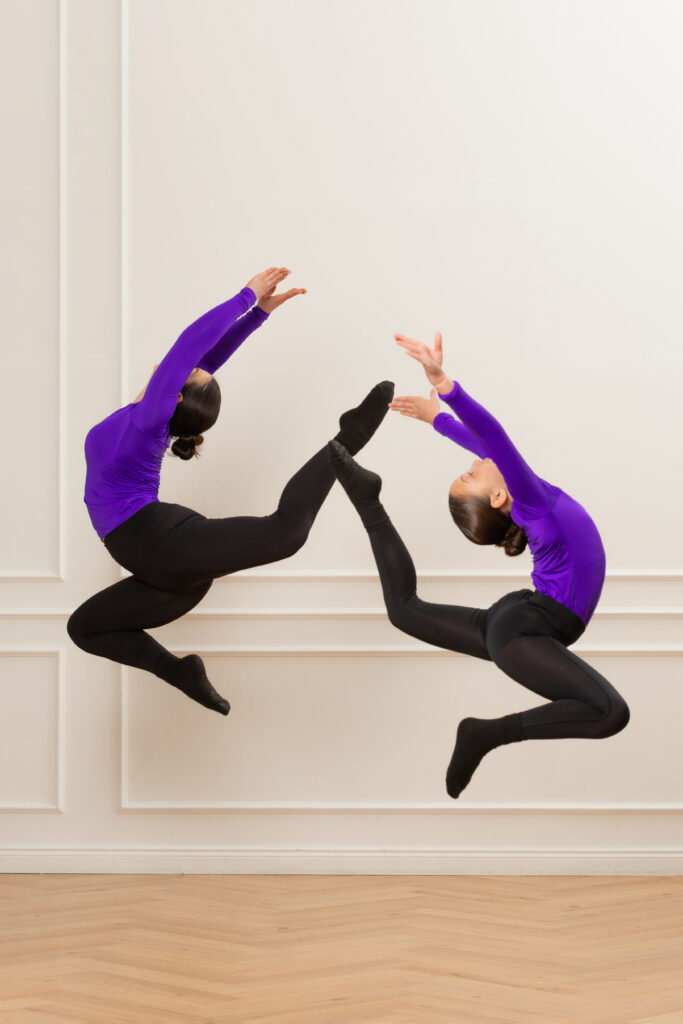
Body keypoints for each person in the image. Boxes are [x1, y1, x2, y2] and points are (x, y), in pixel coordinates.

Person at [67, 266, 394, 715]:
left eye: (187, 373)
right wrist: (258, 316)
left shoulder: (148, 422)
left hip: (158, 544)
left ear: (173, 396)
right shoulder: (148, 417)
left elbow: (190, 345)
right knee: (85, 628)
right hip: (162, 571)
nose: (191, 365)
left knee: (288, 532)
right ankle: (180, 672)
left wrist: (246, 296)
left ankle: (349, 436)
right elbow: (206, 357)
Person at [328, 328, 629, 798]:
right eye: (471, 473)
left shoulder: (531, 499)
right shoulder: (534, 502)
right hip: (526, 626)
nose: (476, 462)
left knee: (404, 610)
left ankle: (367, 500)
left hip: (522, 619)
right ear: (499, 496)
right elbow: (493, 437)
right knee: (610, 713)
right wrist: (444, 385)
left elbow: (486, 446)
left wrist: (437, 419)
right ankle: (485, 734)